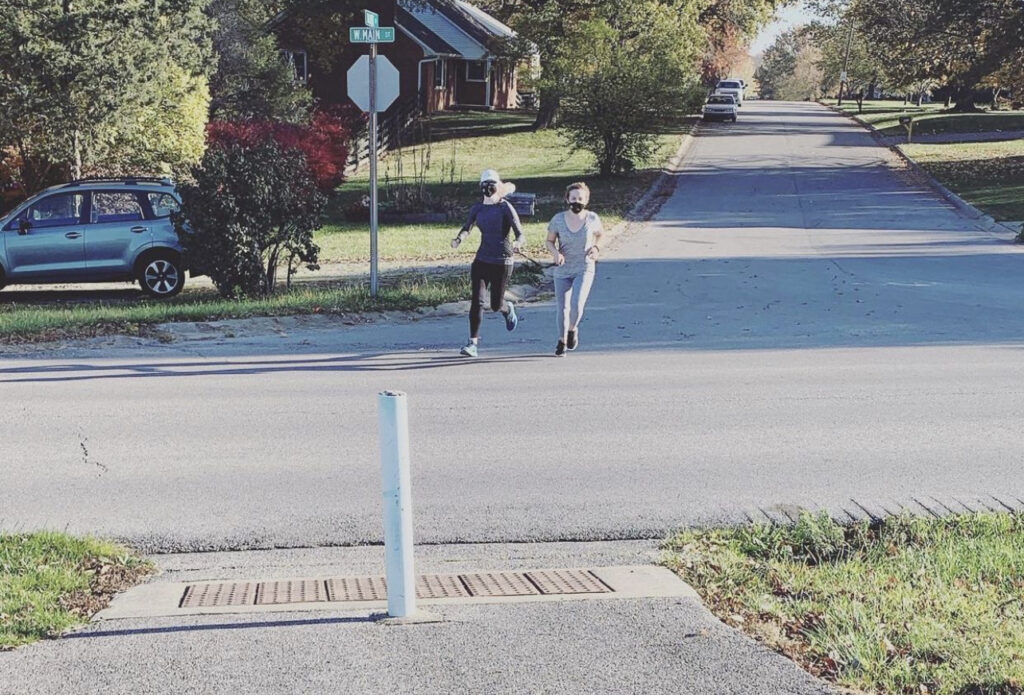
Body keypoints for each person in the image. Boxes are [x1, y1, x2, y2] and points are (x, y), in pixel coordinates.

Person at [450, 169, 525, 357]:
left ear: (497, 186)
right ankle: (472, 344)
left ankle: (507, 309)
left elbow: (520, 233)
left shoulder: (505, 207)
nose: (488, 189)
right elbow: (467, 227)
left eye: (491, 185)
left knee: (495, 305)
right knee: (477, 301)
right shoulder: (478, 208)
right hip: (482, 260)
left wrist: (517, 243)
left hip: (502, 261)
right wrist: (459, 239)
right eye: (485, 185)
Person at [545, 182, 602, 357]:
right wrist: (555, 253)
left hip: (584, 267)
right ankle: (562, 341)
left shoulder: (592, 218)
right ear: (567, 199)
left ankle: (572, 329)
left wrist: (596, 248)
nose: (576, 202)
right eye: (573, 198)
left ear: (586, 200)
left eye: (580, 199)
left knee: (577, 304)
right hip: (562, 269)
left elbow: (600, 234)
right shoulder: (558, 219)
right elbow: (549, 241)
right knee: (562, 308)